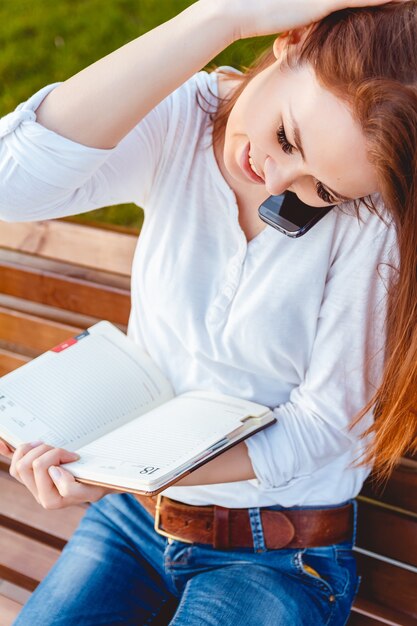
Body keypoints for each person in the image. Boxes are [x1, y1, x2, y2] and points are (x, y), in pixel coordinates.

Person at [0, 0, 415, 623]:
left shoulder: (371, 218)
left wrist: (124, 470)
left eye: (321, 190)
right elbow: (13, 184)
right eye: (286, 138)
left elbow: (322, 429)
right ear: (291, 41)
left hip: (276, 553)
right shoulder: (182, 120)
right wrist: (218, 17)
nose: (279, 183)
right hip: (133, 519)